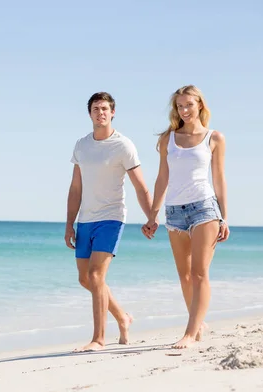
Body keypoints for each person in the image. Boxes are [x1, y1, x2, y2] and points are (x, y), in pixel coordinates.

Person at [65, 91, 156, 352]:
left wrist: (151, 216)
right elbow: (75, 188)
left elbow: (140, 186)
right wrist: (69, 223)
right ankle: (122, 317)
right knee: (86, 279)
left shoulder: (123, 145)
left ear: (112, 112)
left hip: (111, 218)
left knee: (96, 276)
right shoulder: (82, 145)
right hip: (85, 219)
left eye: (105, 108)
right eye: (96, 109)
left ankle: (98, 338)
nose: (100, 113)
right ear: (90, 113)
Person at [143, 84, 230, 349]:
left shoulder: (214, 138)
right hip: (174, 211)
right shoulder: (167, 139)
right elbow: (162, 178)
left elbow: (218, 179)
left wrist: (224, 217)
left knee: (199, 272)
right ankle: (199, 323)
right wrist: (153, 215)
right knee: (184, 275)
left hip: (204, 208)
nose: (184, 110)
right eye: (180, 106)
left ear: (200, 105)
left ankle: (190, 333)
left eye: (189, 105)